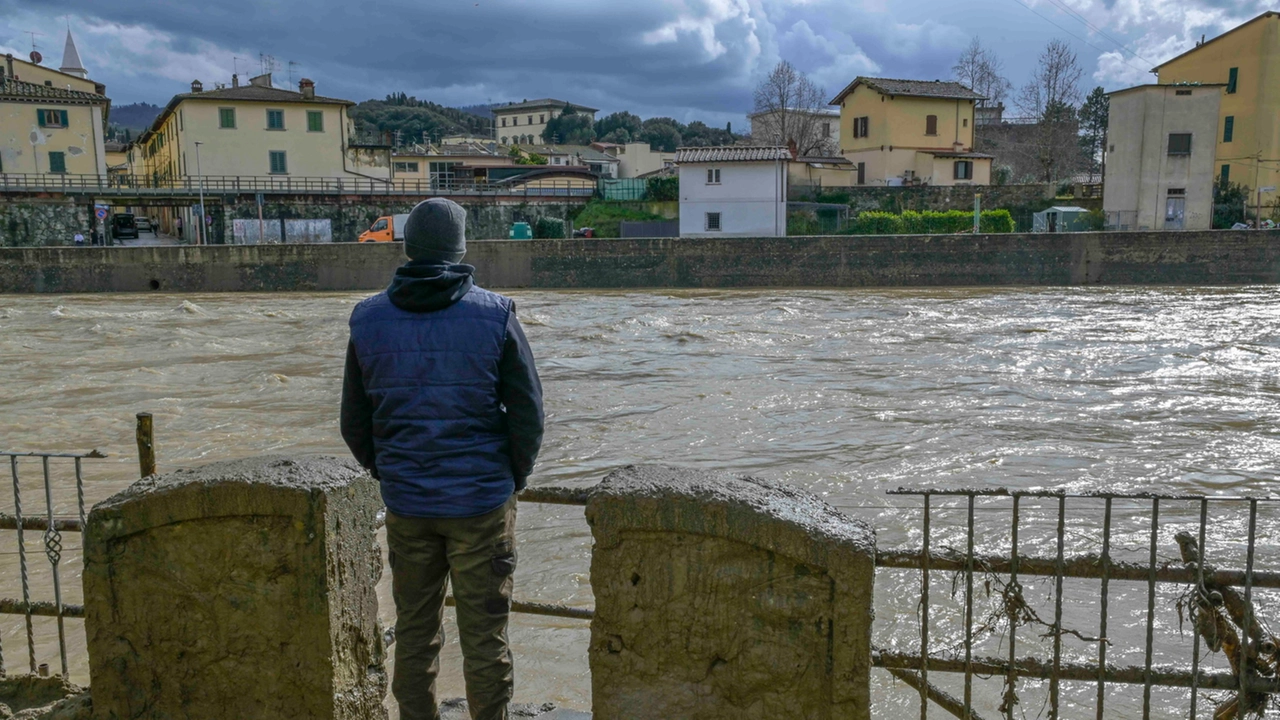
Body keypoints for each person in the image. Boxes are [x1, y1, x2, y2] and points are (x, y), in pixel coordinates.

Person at [341, 198, 544, 720]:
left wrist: (391, 472)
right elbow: (528, 414)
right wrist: (510, 478)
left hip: (409, 504)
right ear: (460, 249)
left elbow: (354, 423)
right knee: (485, 636)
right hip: (482, 503)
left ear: (408, 248)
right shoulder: (496, 315)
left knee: (414, 629)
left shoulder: (367, 319)